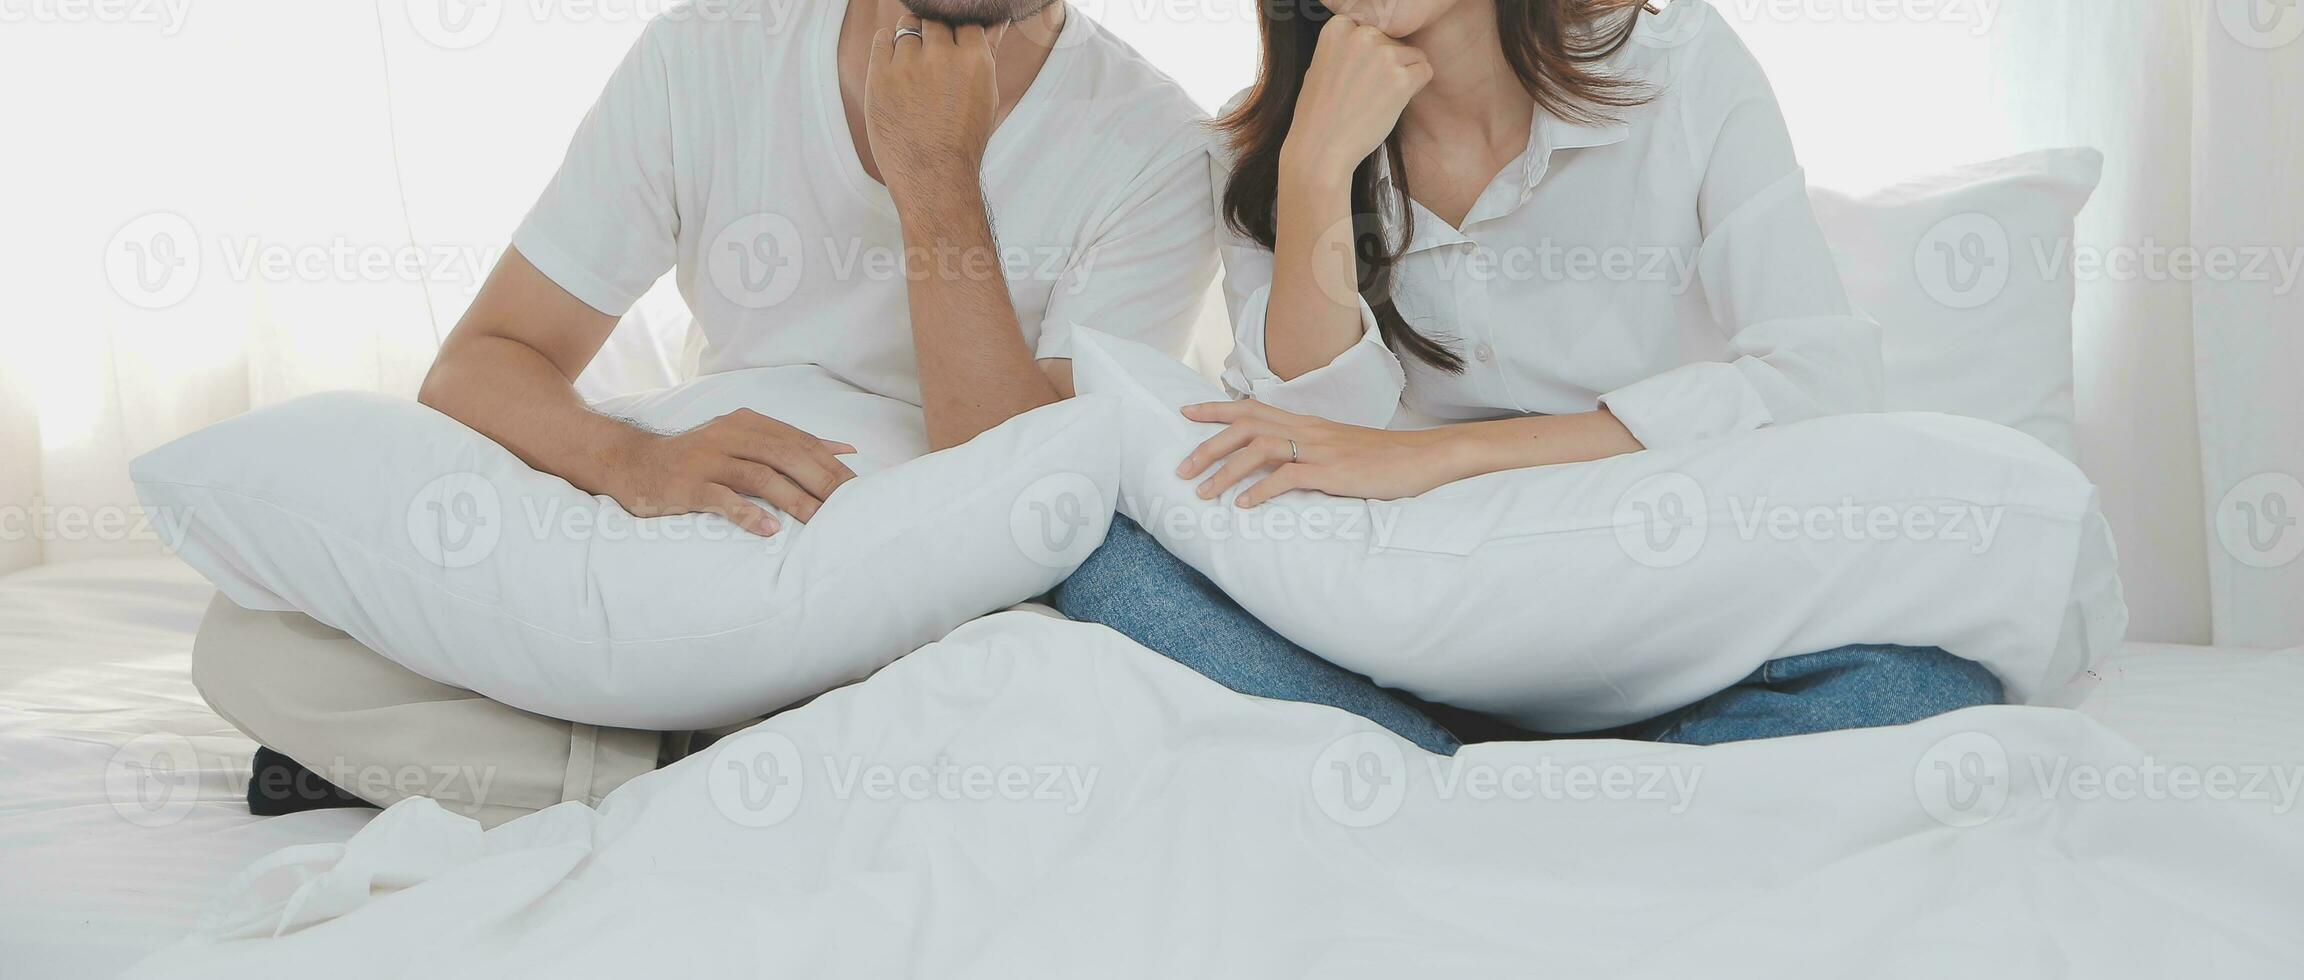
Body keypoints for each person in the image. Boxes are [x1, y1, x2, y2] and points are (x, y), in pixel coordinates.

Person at [194, 0, 1463, 828]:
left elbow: (1014, 472)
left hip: (938, 557)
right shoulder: (713, 49)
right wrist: (631, 458)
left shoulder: (1152, 145)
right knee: (249, 644)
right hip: (715, 500)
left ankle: (577, 770)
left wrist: (933, 175)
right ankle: (688, 767)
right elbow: (486, 360)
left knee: (1039, 701)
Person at [1054, 0, 2005, 747]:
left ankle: (1461, 776)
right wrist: (1314, 171)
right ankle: (1513, 775)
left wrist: (1445, 457)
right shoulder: (1262, 151)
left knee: (1930, 686)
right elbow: (1304, 441)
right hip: (1415, 635)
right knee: (1099, 570)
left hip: (1669, 616)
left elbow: (1820, 383)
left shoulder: (1678, 70)